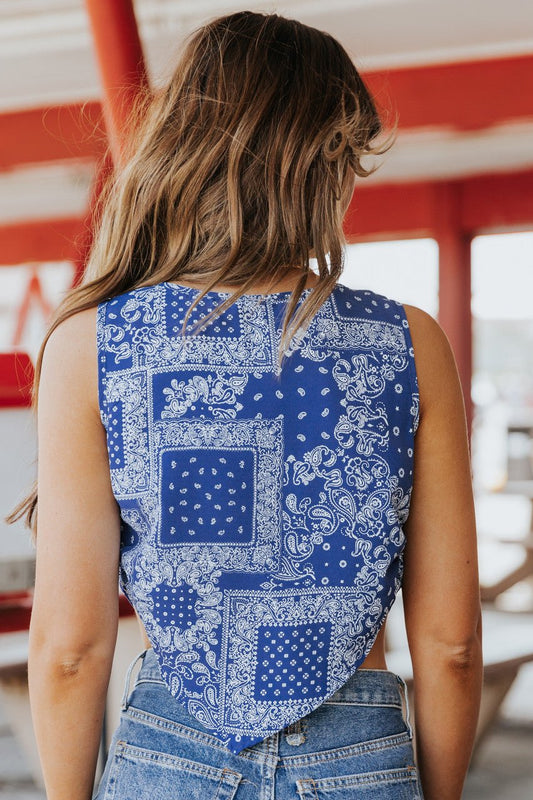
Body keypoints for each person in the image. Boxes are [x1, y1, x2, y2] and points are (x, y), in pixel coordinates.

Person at [10, 10, 482, 800]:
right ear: (323, 161)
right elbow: (451, 645)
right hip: (359, 756)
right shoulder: (408, 344)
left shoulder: (94, 345)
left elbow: (69, 648)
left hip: (171, 756)